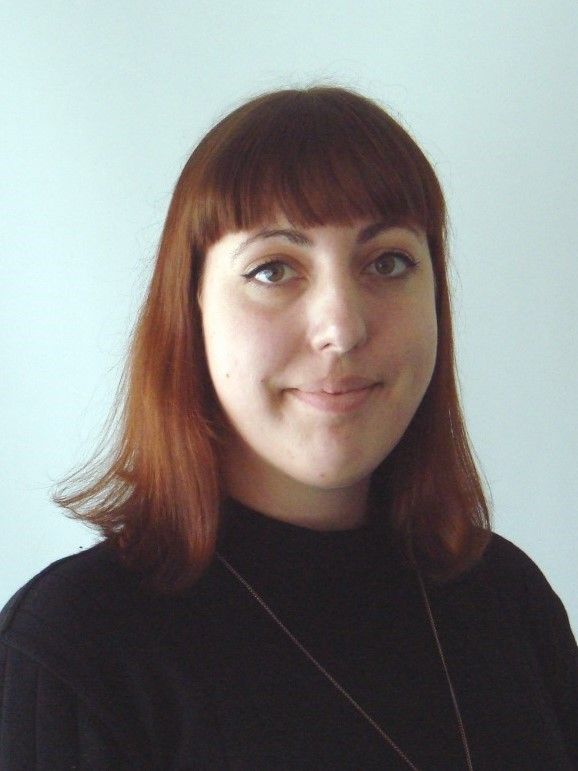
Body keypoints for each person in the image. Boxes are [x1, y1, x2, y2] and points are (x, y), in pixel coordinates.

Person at [0, 86, 576, 771]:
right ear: (191, 311)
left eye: (388, 261)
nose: (342, 328)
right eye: (274, 269)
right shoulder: (74, 648)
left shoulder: (509, 599)